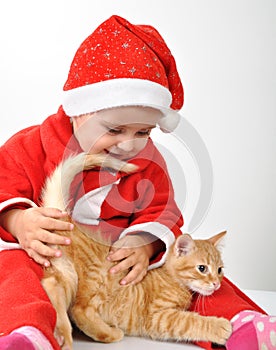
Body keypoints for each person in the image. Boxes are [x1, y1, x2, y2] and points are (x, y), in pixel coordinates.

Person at [0, 15, 274, 350]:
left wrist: (144, 246)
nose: (129, 144)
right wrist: (18, 219)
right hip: (54, 258)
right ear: (77, 111)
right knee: (14, 269)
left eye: (143, 132)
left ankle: (241, 324)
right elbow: (4, 186)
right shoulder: (31, 145)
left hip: (116, 273)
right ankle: (27, 331)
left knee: (195, 276)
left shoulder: (150, 163)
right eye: (114, 130)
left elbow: (164, 212)